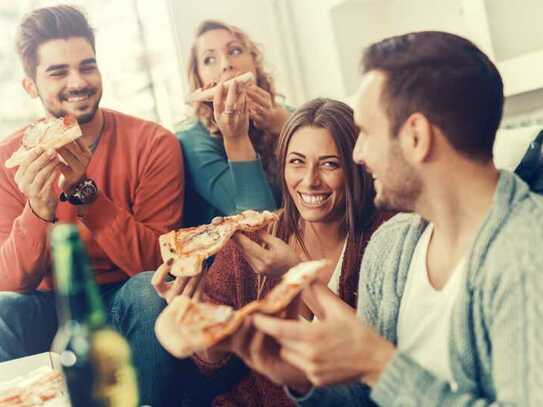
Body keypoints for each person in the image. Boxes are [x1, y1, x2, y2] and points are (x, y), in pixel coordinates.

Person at [231, 31, 543, 406]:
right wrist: (300, 379)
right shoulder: (392, 245)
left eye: (366, 132)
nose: (358, 155)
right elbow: (367, 398)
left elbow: (380, 372)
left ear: (416, 137)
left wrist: (379, 363)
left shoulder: (527, 256)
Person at [0, 6, 185, 406]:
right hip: (50, 305)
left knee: (147, 292)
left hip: (124, 296)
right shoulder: (7, 161)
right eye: (58, 72)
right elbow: (10, 284)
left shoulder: (153, 143)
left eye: (88, 66)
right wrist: (38, 209)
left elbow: (157, 264)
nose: (78, 82)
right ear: (30, 86)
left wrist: (85, 192)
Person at [154, 98, 390, 406]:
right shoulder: (252, 238)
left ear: (355, 166)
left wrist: (293, 272)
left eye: (329, 163)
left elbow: (380, 356)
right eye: (297, 162)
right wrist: (197, 315)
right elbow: (213, 364)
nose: (310, 181)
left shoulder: (385, 236)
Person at [177, 19, 292, 227]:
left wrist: (285, 127)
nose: (226, 64)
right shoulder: (192, 142)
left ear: (255, 63)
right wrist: (236, 138)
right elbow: (259, 221)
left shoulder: (290, 116)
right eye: (209, 59)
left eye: (235, 51)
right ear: (199, 79)